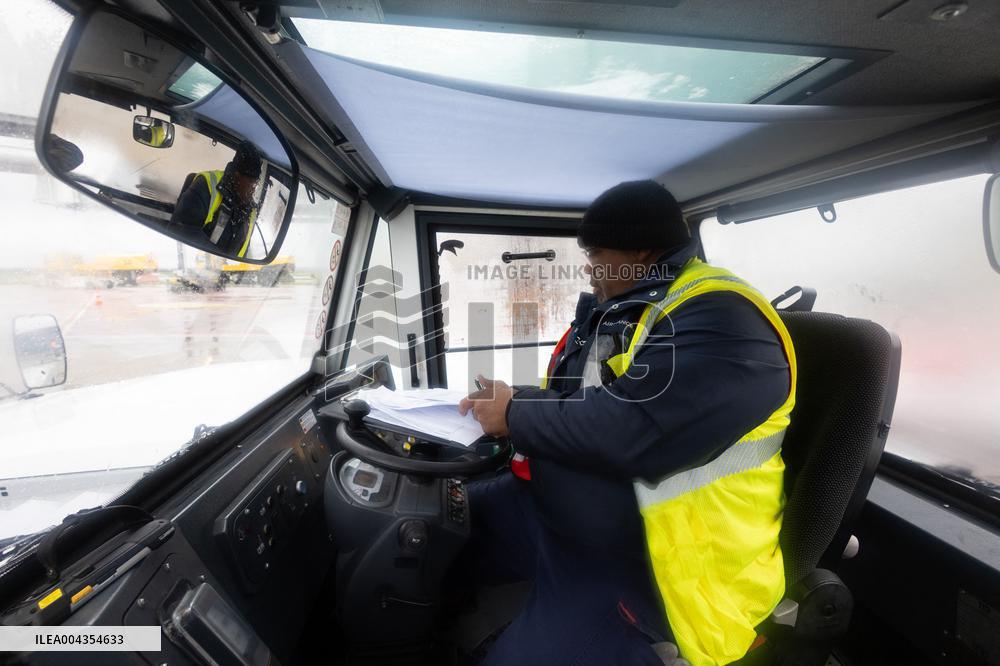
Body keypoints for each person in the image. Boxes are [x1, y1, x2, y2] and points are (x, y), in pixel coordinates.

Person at [458, 180, 796, 666]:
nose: (589, 270)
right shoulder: (628, 308)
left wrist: (513, 413)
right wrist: (513, 400)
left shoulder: (724, 320)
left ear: (642, 249)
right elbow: (587, 399)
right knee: (442, 528)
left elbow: (634, 429)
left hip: (662, 569)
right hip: (574, 518)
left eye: (596, 254)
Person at [171, 140, 261, 258]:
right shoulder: (207, 185)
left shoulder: (251, 211)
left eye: (256, 183)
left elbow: (244, 251)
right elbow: (181, 229)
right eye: (250, 182)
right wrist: (217, 259)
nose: (253, 188)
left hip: (229, 273)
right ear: (237, 176)